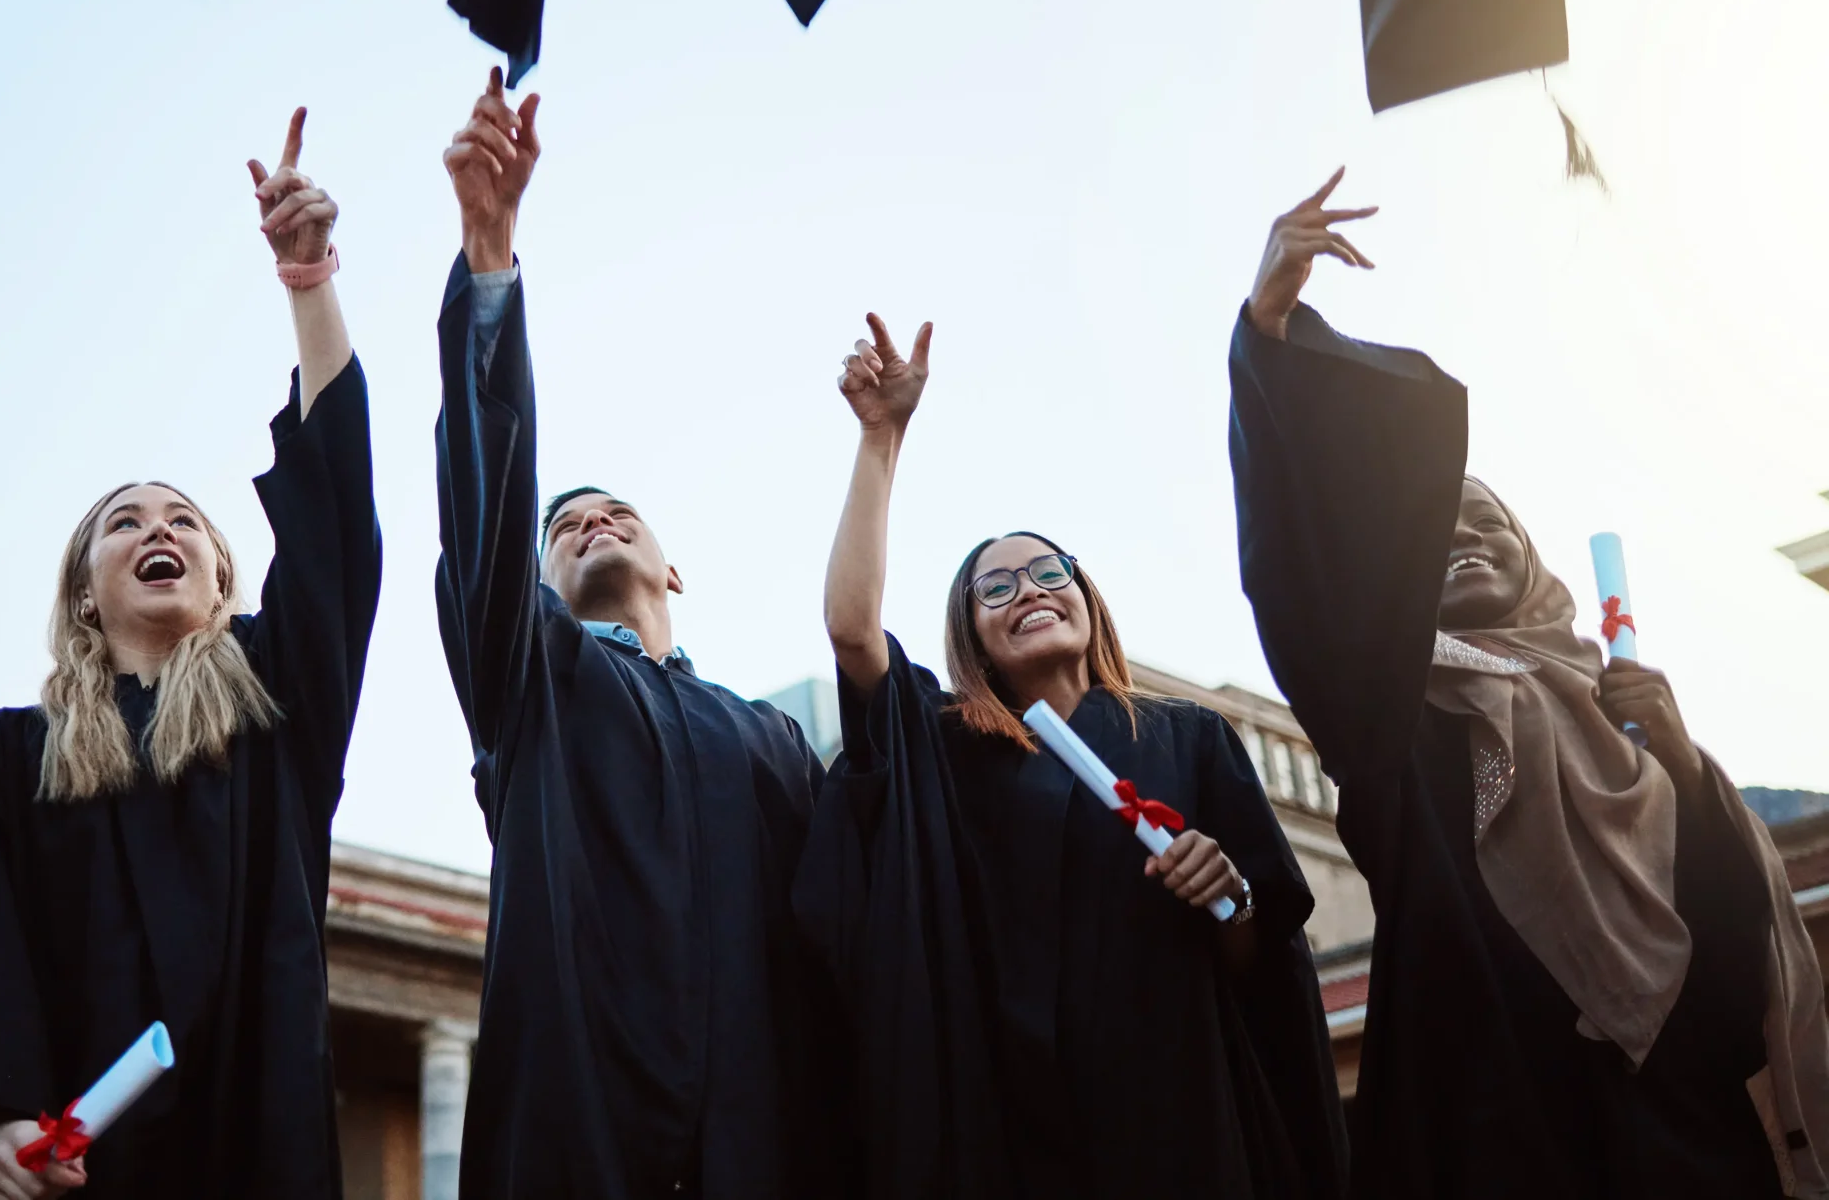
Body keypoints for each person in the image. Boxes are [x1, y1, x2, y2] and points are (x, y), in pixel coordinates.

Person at [1227, 170, 1829, 1199]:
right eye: (1439, 532)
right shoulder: (1388, 708)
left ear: (1532, 555)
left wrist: (1681, 765)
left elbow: (1727, 978)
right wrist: (1267, 334)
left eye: (1489, 525)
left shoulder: (1624, 713)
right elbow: (1297, 579)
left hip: (1677, 1127)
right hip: (1500, 1124)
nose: (1465, 541)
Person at [0, 109, 378, 1200]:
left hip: (253, 1135)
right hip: (79, 1159)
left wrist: (309, 284)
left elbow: (334, 532)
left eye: (183, 521)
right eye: (124, 522)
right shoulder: (15, 755)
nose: (158, 529)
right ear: (85, 587)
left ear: (224, 581)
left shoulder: (275, 704)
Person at [797, 312, 1347, 1198]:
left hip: (1176, 1113)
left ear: (1086, 597)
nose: (1030, 593)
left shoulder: (1188, 739)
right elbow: (852, 631)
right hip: (1012, 1128)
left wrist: (1229, 894)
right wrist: (881, 439)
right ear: (969, 633)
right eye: (997, 588)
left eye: (1050, 574)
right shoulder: (950, 749)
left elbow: (1258, 969)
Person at [431, 69, 840, 1199]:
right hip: (581, 1131)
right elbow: (481, 507)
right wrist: (488, 265)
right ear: (536, 585)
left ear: (673, 567)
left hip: (764, 1138)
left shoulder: (768, 741)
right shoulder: (532, 687)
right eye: (560, 526)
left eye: (614, 512)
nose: (589, 521)